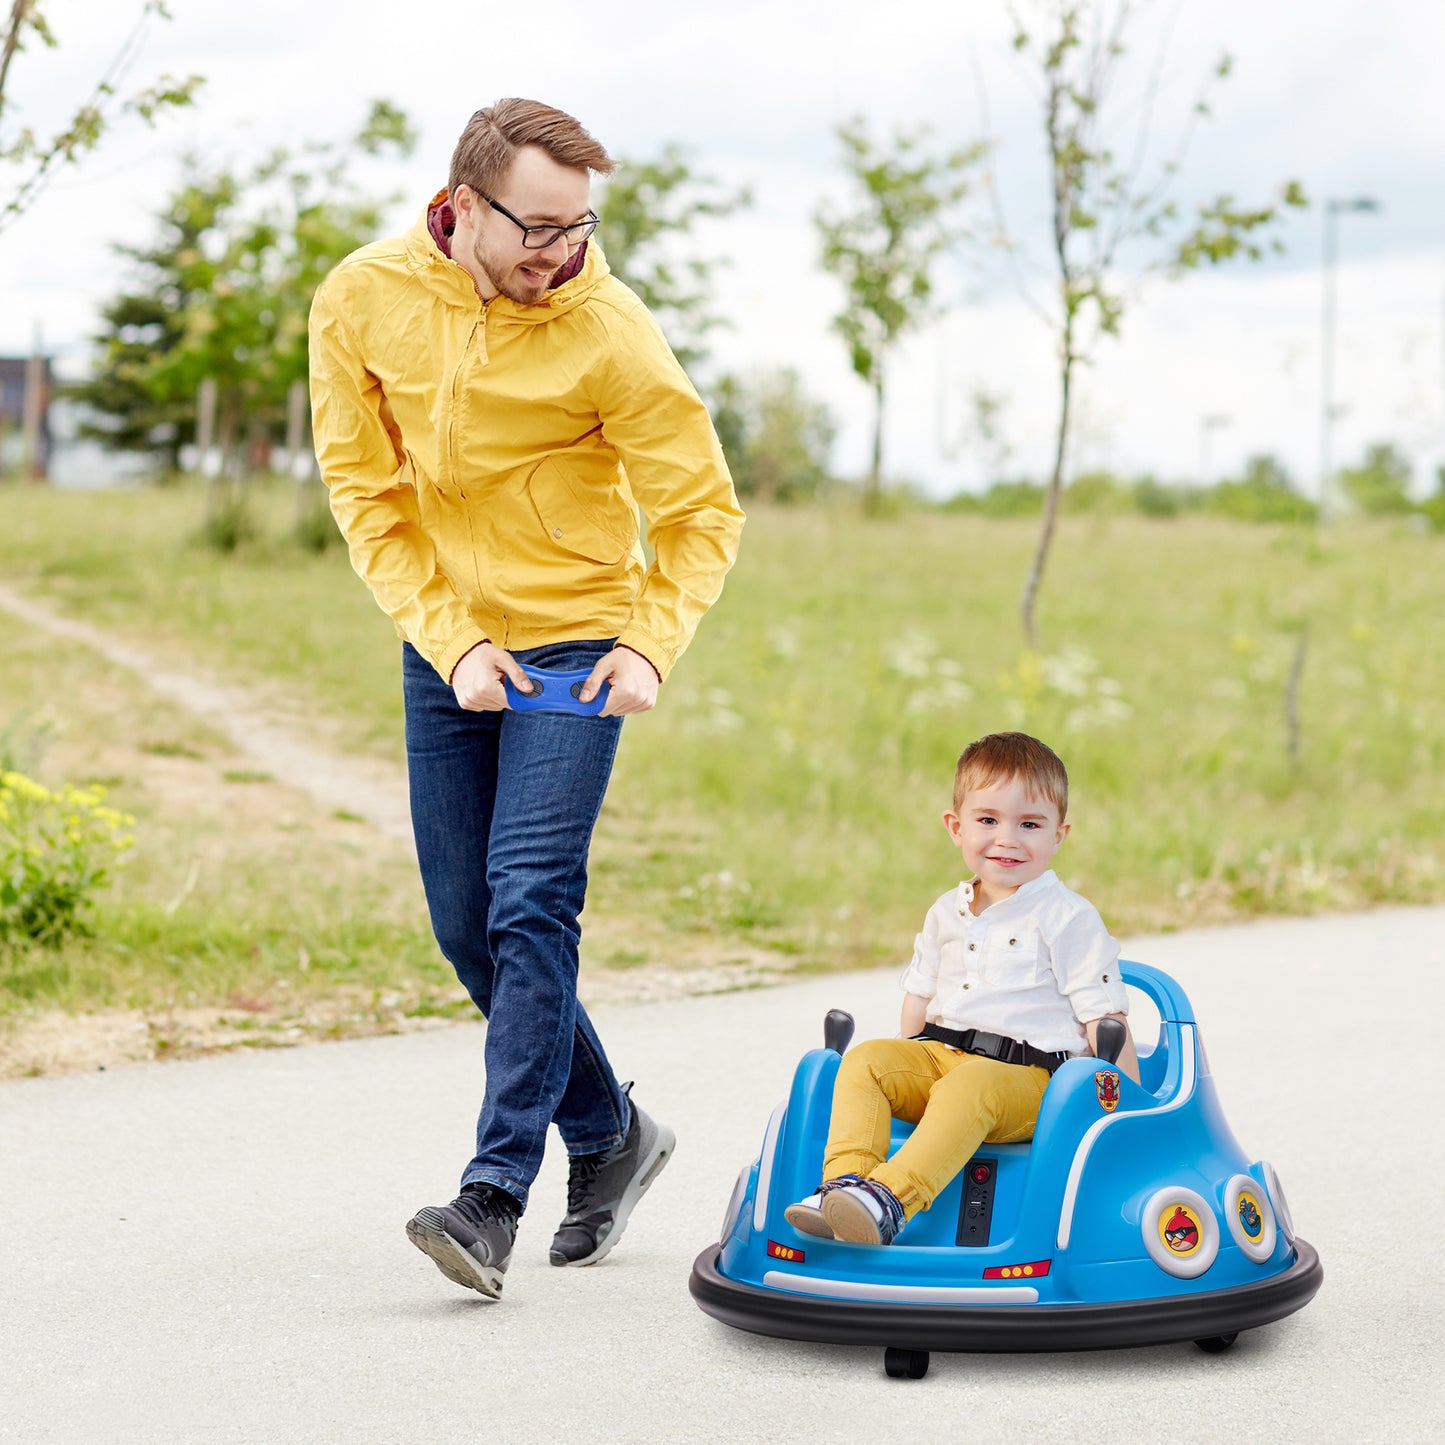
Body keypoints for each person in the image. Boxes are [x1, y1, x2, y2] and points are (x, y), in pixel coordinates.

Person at [308, 99, 744, 1299]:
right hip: (448, 641)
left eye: (580, 224)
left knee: (529, 900)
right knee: (465, 922)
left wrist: (650, 645)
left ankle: (490, 1197)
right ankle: (610, 1132)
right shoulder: (361, 297)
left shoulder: (609, 330)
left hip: (577, 644)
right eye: (539, 226)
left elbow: (702, 510)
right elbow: (367, 494)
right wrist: (449, 642)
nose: (564, 250)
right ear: (463, 204)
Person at [786, 731, 1140, 1246]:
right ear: (957, 827)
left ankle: (890, 1200)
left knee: (969, 1086)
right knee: (865, 1060)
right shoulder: (944, 911)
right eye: (989, 820)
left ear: (1059, 835)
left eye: (1030, 825)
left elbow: (1104, 1017)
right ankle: (845, 1188)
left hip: (1028, 1081)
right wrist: (904, 1060)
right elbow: (920, 997)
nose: (1008, 838)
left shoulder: (1067, 918)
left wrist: (1122, 1107)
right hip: (942, 1057)